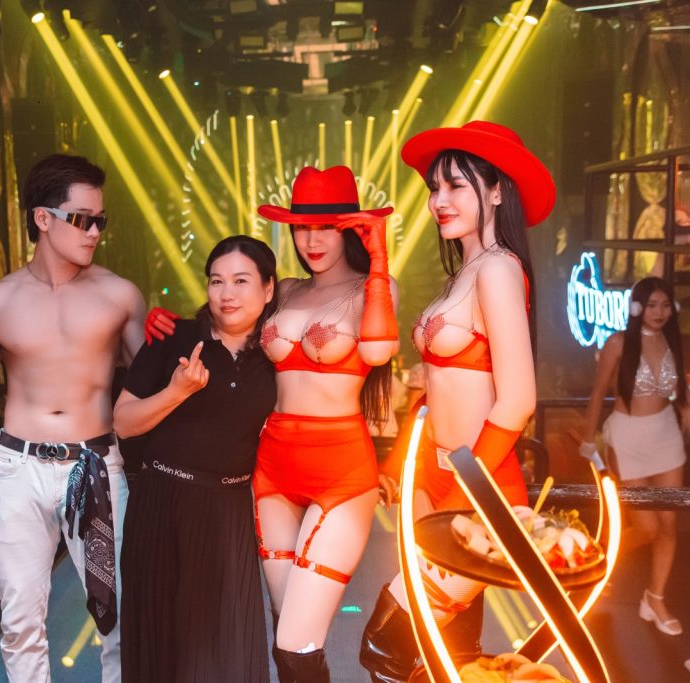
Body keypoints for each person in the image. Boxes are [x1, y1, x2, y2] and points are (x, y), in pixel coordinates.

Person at [148, 165, 400, 681]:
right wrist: (171, 327)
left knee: (294, 641)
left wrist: (379, 259)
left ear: (351, 230)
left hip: (341, 474)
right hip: (274, 471)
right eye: (302, 227)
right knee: (288, 630)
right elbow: (227, 324)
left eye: (327, 227)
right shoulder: (283, 291)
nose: (312, 240)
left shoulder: (376, 287)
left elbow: (378, 350)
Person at [361, 121, 554, 681]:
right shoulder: (465, 273)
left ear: (496, 191)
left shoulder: (497, 268)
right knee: (445, 656)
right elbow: (439, 390)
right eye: (434, 188)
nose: (438, 201)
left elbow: (517, 400)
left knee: (385, 647)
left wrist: (459, 488)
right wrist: (407, 467)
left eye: (456, 186)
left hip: (478, 490)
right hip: (437, 479)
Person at [0, 153, 145, 683]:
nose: (94, 232)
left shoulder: (119, 296)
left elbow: (151, 390)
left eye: (100, 221)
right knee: (19, 622)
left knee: (118, 616)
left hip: (95, 468)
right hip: (17, 469)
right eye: (82, 219)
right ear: (43, 218)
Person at [116, 236, 277, 683]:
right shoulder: (175, 337)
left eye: (241, 281)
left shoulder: (277, 351)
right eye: (216, 281)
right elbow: (123, 423)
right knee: (163, 649)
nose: (227, 294)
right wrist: (176, 391)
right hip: (162, 505)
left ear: (268, 288)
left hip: (228, 512)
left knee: (228, 649)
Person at [581, 277, 688, 636]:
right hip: (628, 437)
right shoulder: (618, 343)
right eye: (652, 305)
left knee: (668, 525)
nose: (660, 312)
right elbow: (598, 392)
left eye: (665, 305)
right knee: (646, 527)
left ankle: (654, 598)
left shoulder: (673, 341)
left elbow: (678, 389)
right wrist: (588, 440)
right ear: (638, 307)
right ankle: (594, 561)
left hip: (666, 435)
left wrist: (685, 409)